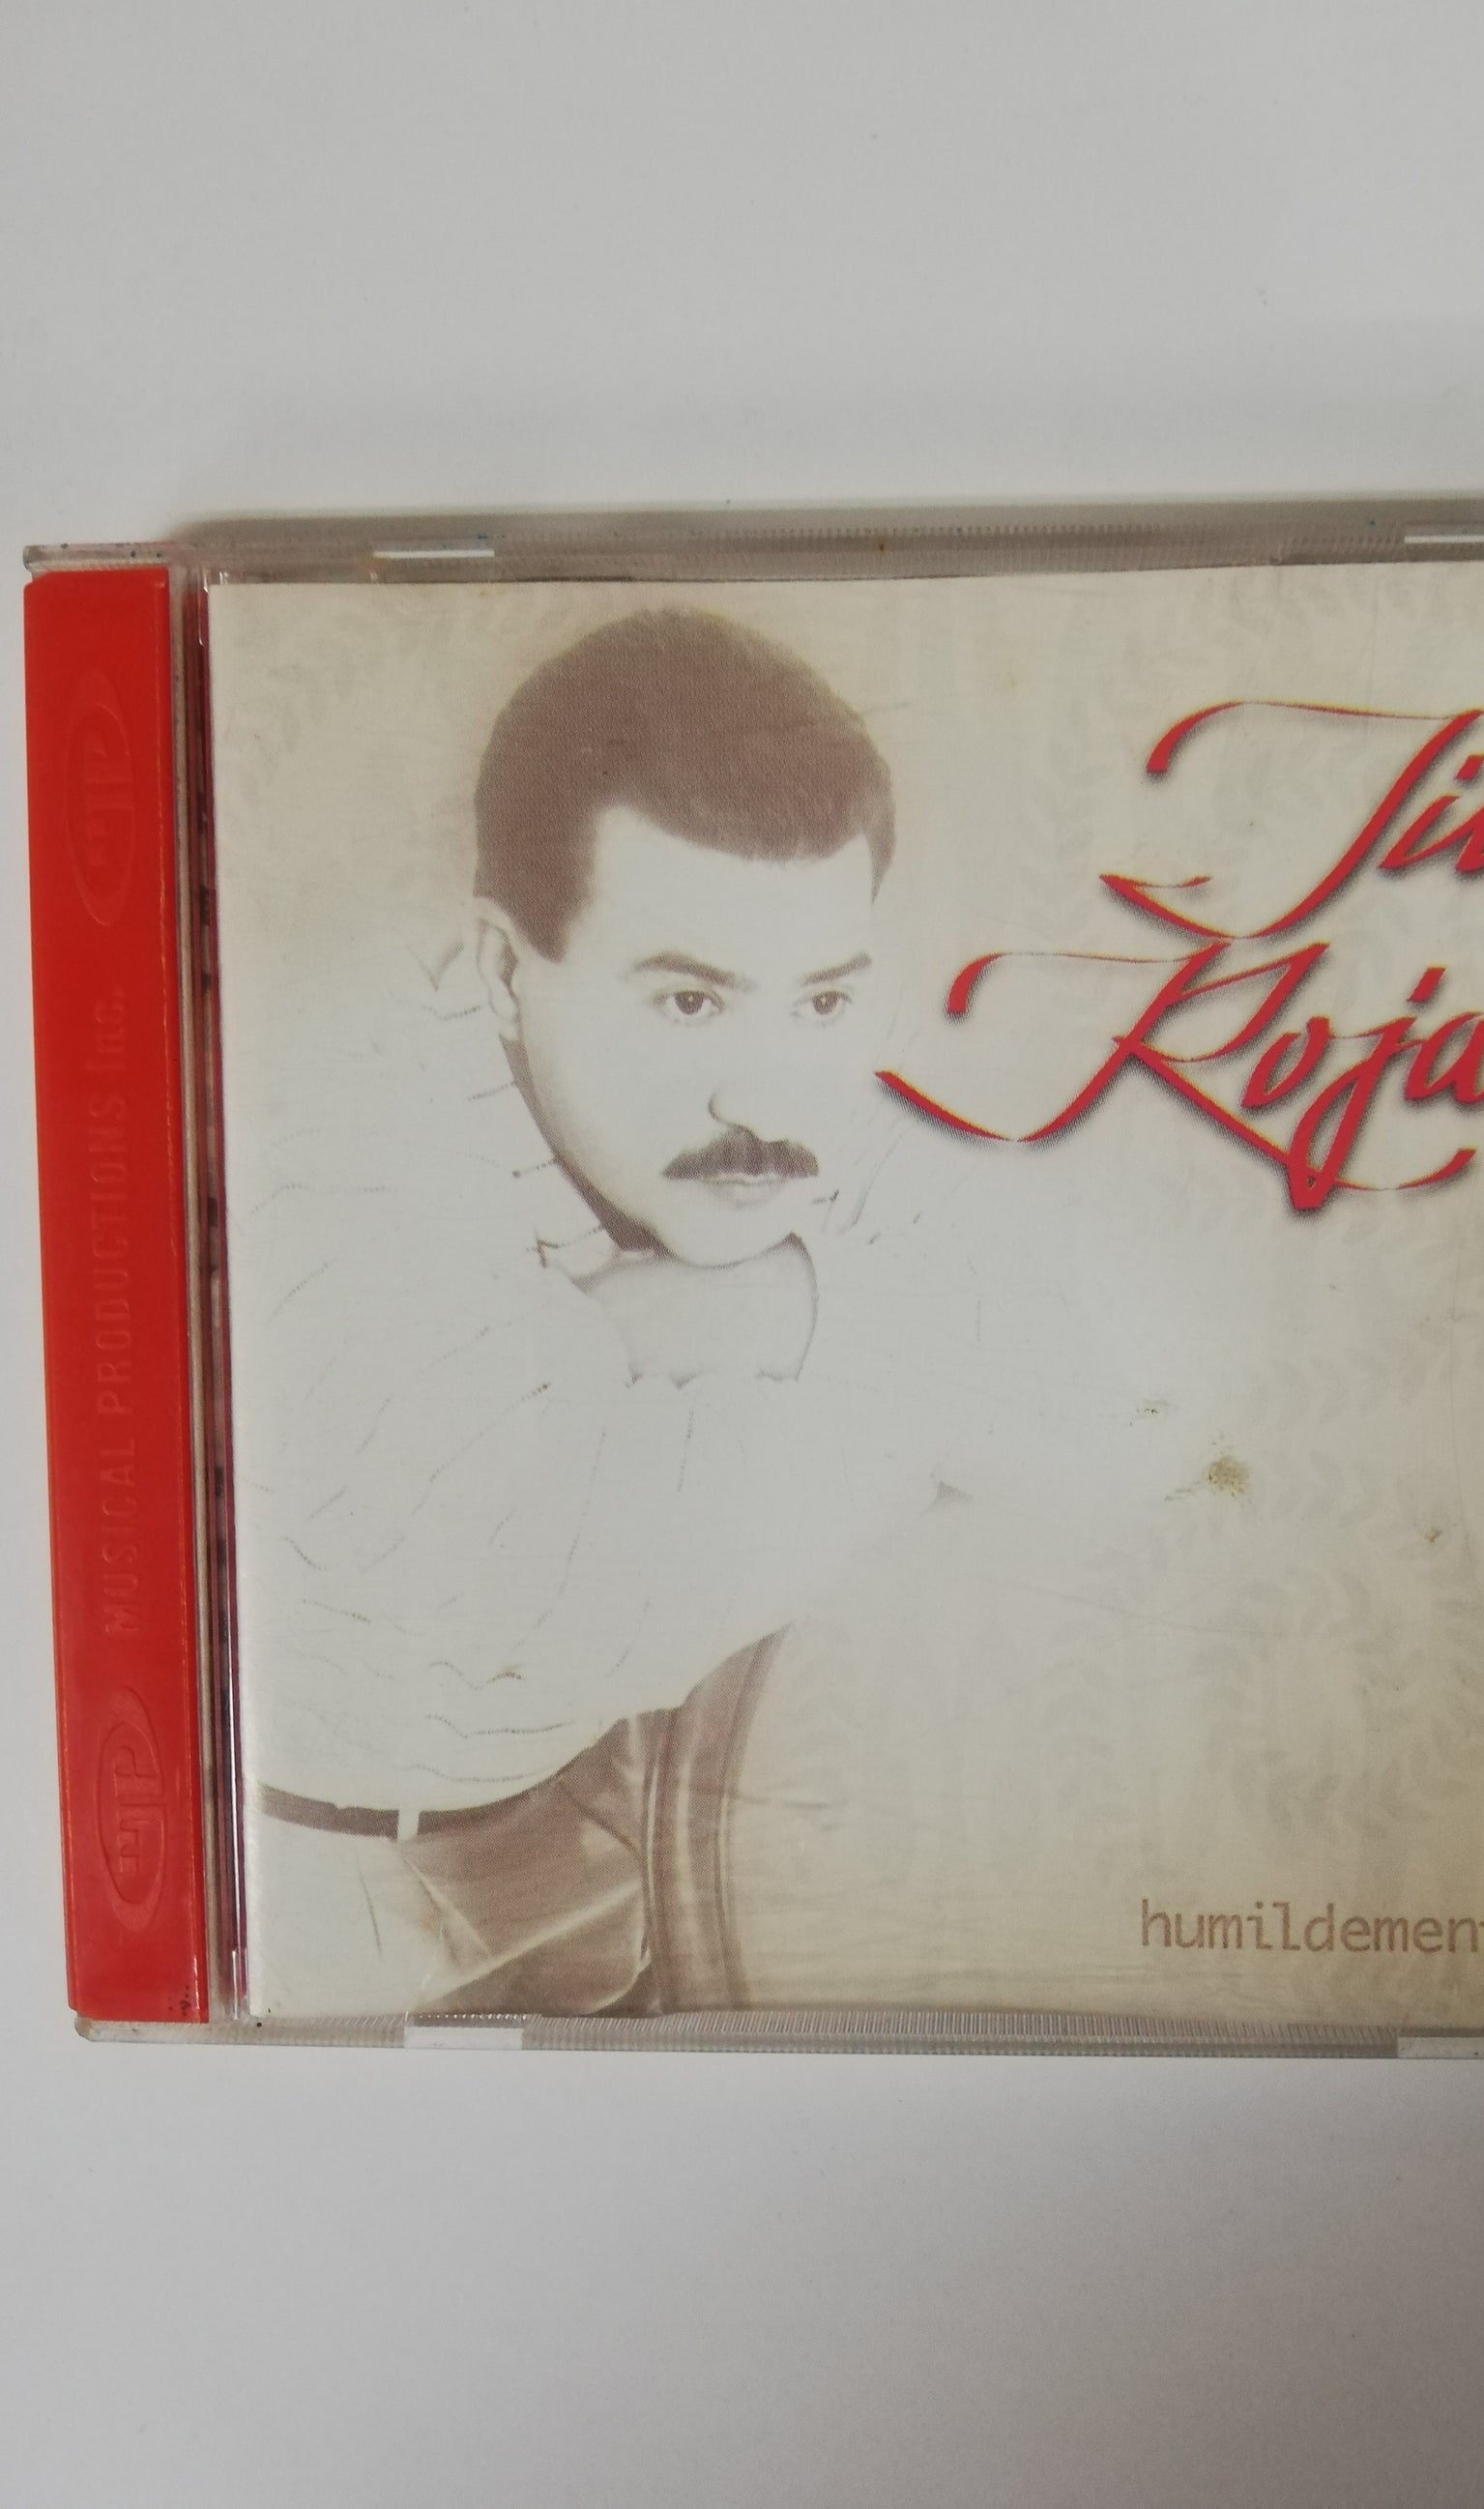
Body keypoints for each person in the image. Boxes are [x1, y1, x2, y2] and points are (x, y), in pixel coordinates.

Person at [234, 607, 1191, 2019]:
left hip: (583, 1831)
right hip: (307, 1902)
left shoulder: (778, 1109)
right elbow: (551, 1584)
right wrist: (922, 1390)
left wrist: (758, 1307)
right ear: (504, 971)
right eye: (688, 1004)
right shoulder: (338, 1151)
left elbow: (1159, 1405)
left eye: (821, 1002)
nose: (763, 1096)